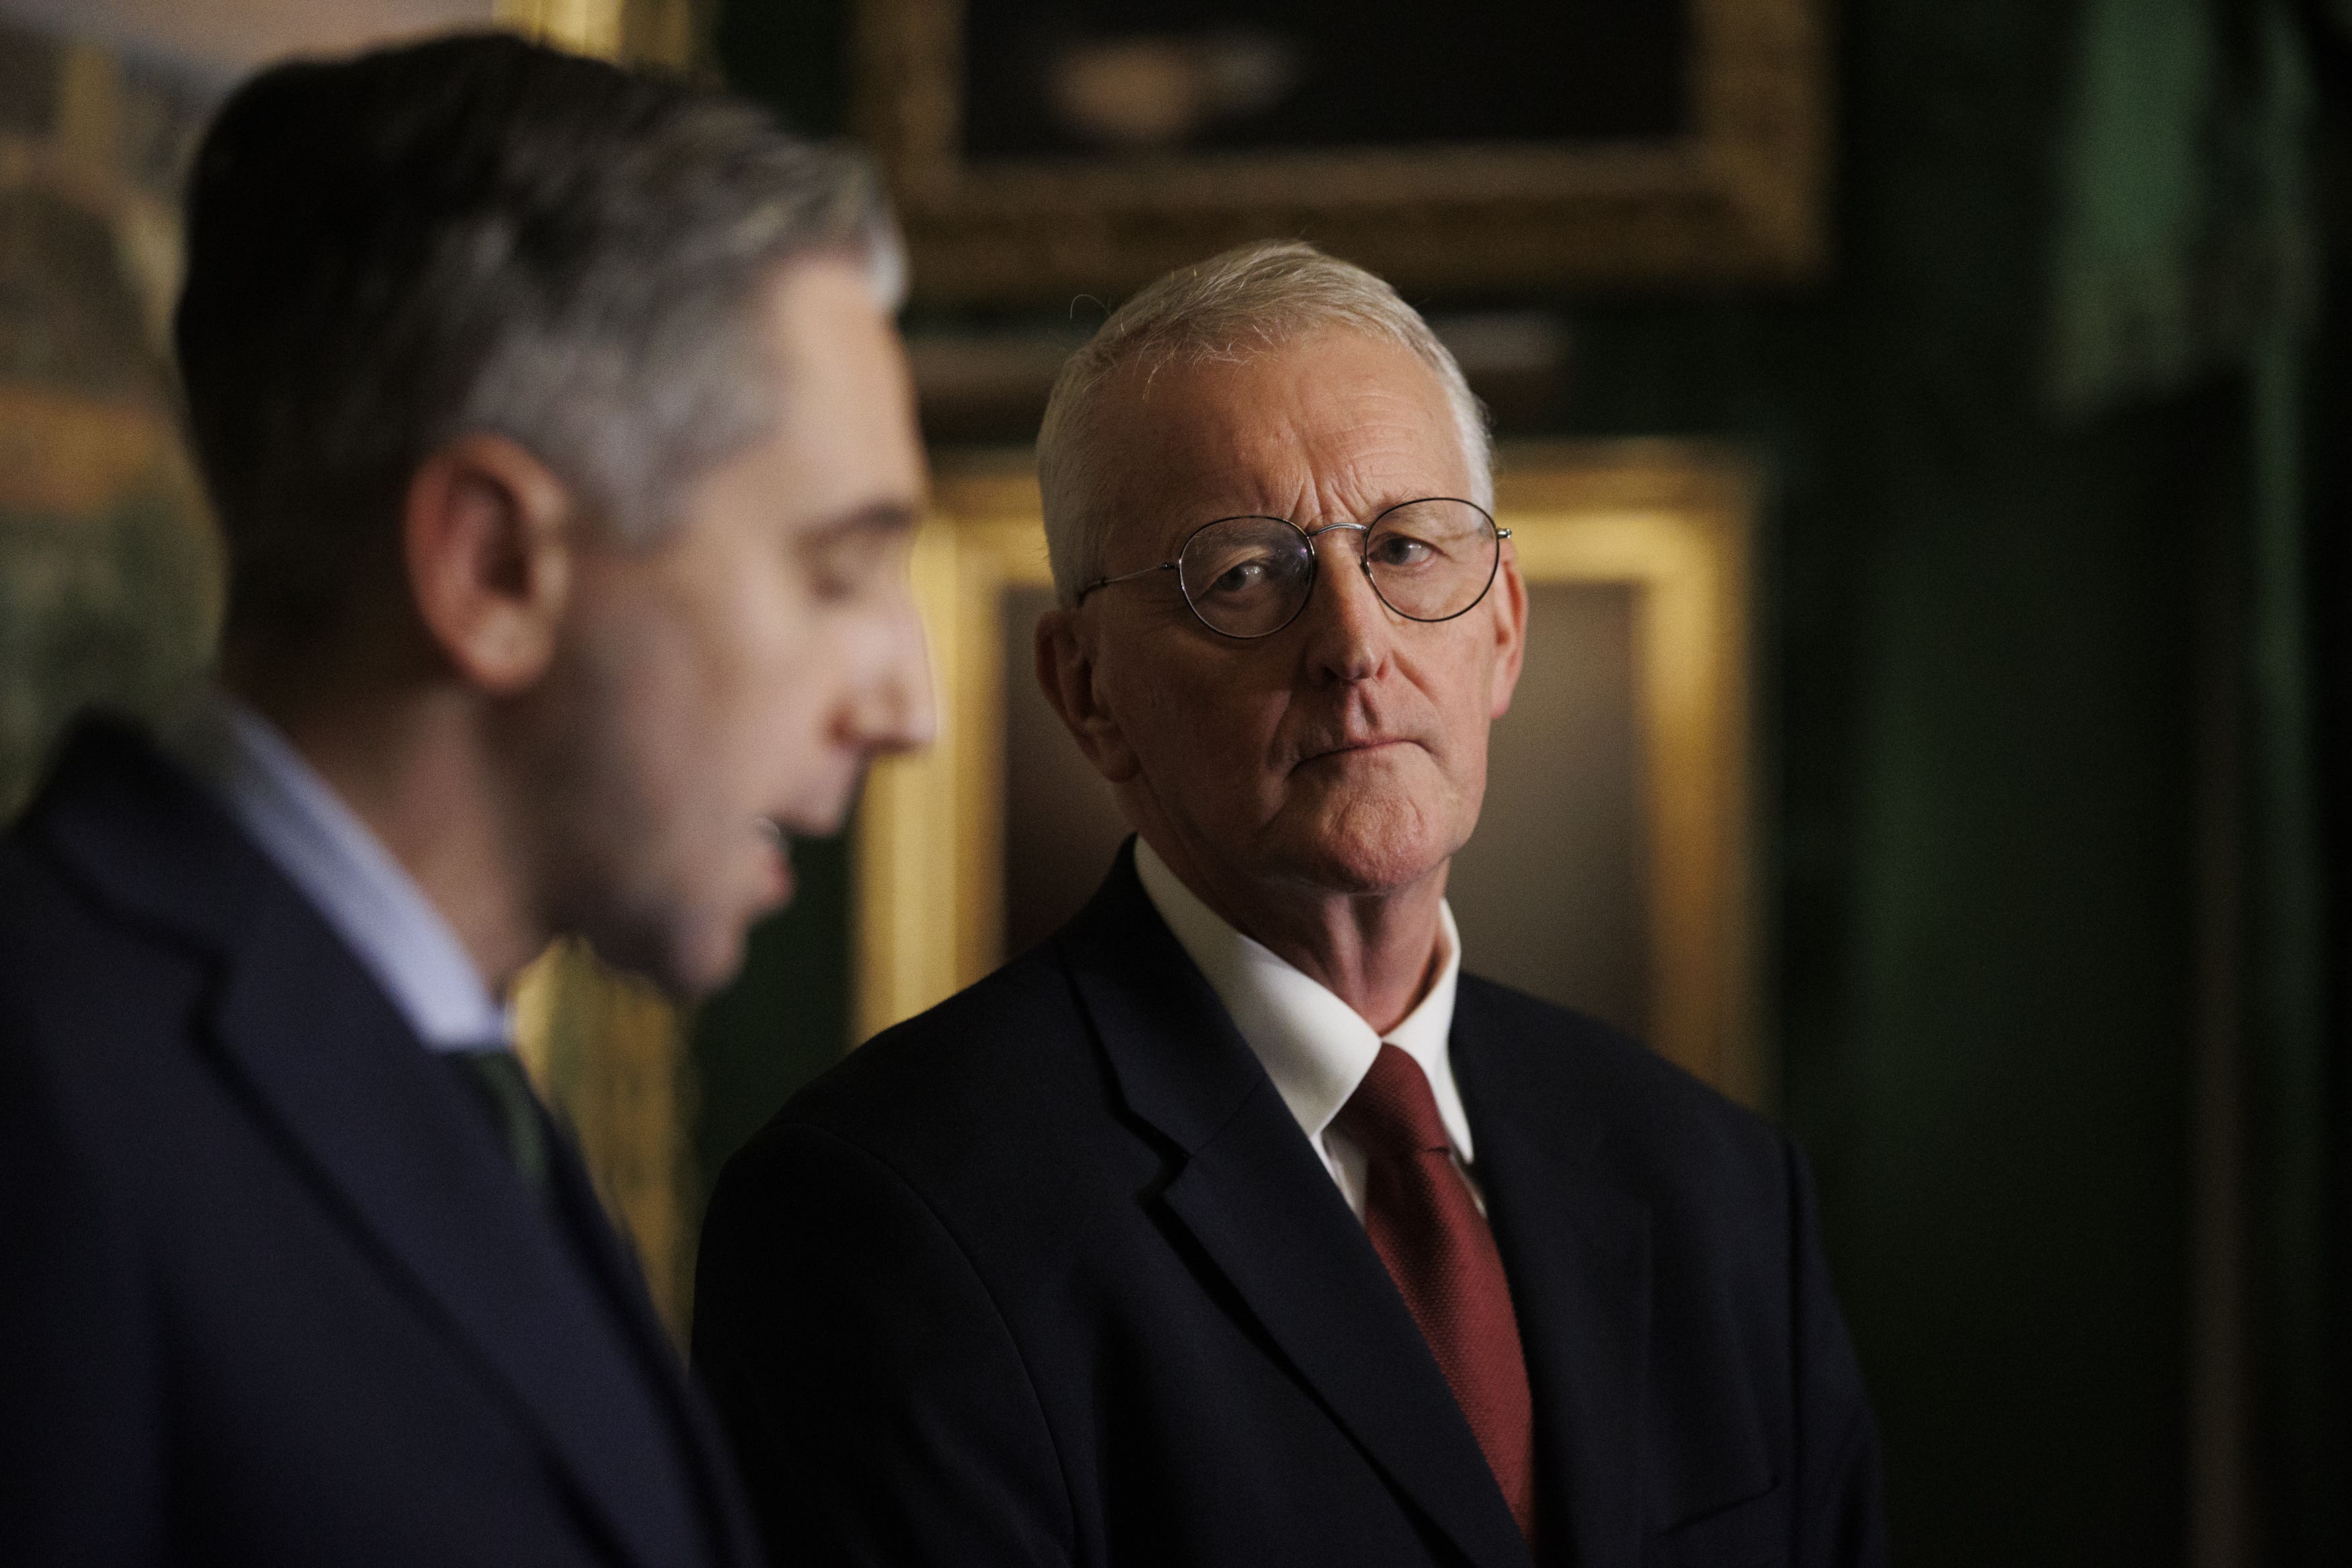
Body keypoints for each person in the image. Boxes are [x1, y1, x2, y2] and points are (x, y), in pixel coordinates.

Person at [693, 241, 1888, 1568]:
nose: (1356, 645)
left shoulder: (1717, 1189)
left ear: (1500, 634)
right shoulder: (888, 1221)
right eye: (1248, 573)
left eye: (1406, 549)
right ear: (1085, 688)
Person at [0, 32, 932, 1567]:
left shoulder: (443, 1067)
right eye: (835, 570)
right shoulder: (41, 1102)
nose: (911, 704)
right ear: (494, 569)